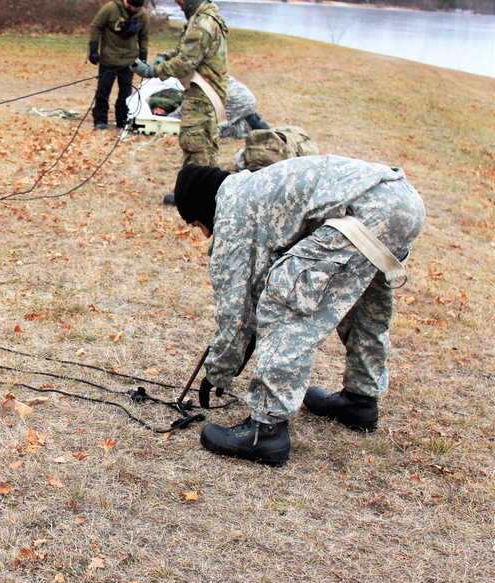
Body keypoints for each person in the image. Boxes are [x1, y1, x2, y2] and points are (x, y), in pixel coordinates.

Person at [172, 156, 425, 465]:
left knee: (285, 295)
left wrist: (219, 370)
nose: (205, 235)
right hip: (403, 201)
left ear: (202, 205)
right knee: (364, 303)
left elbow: (235, 308)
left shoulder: (233, 210)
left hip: (367, 211)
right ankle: (360, 400)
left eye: (197, 224)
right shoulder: (256, 187)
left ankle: (265, 431)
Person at [132, 0, 227, 166]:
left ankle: (198, 190)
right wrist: (165, 56)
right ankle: (205, 189)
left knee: (196, 148)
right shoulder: (202, 16)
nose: (177, 2)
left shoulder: (202, 23)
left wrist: (152, 71)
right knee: (205, 146)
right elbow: (185, 48)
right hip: (204, 93)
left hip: (203, 95)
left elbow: (185, 63)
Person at [88, 0, 150, 131]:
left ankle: (122, 119)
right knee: (103, 90)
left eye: (140, 7)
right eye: (135, 7)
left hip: (129, 60)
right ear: (127, 3)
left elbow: (144, 36)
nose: (138, 10)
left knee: (126, 93)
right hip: (109, 58)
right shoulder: (110, 8)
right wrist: (93, 49)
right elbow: (95, 26)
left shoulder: (142, 15)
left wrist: (143, 54)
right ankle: (100, 119)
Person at [165, 75, 268, 139]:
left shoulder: (194, 84)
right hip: (244, 97)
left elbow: (185, 110)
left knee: (211, 131)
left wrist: (166, 120)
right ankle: (250, 121)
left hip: (236, 101)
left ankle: (249, 125)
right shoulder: (206, 71)